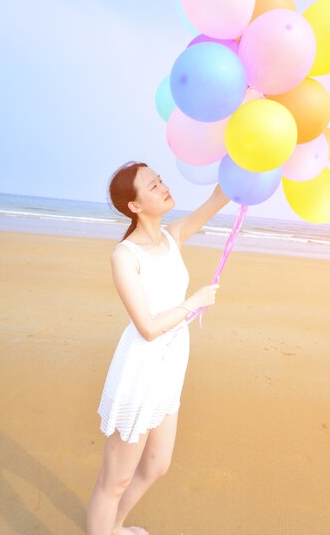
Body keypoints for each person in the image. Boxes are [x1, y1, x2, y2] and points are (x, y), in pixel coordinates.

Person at [86, 160, 230, 535]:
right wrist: (192, 302)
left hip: (169, 369)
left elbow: (218, 198)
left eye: (160, 180)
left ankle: (113, 527)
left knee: (156, 466)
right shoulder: (124, 256)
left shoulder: (172, 236)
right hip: (140, 371)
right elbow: (147, 328)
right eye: (152, 186)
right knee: (113, 481)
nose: (163, 186)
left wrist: (244, 160)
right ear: (134, 206)